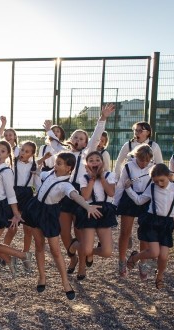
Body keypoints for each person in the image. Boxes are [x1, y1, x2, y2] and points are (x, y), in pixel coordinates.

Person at [23, 152, 102, 297]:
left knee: (55, 250)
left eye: (59, 163)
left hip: (49, 215)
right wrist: (36, 170)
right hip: (35, 210)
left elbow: (75, 195)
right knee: (39, 245)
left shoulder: (66, 185)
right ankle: (42, 276)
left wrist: (88, 206)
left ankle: (65, 282)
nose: (55, 165)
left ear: (68, 168)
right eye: (56, 162)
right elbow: (40, 174)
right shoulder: (50, 174)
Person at [58, 104, 115, 275]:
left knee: (80, 230)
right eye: (75, 137)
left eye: (82, 138)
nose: (78, 140)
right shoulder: (63, 152)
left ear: (86, 142)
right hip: (65, 192)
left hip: (82, 192)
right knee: (64, 231)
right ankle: (73, 256)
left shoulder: (86, 155)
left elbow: (97, 136)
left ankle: (83, 264)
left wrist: (102, 119)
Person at [125, 164, 174, 288]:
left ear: (169, 176)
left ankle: (159, 275)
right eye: (156, 181)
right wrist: (128, 189)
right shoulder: (152, 188)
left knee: (164, 256)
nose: (159, 183)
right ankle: (136, 257)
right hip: (152, 222)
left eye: (162, 180)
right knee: (154, 253)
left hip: (167, 224)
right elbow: (139, 200)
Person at [0, 140, 32, 278]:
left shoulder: (7, 171)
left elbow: (11, 194)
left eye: (2, 151)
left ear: (8, 154)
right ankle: (11, 261)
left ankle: (22, 255)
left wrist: (15, 213)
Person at [72, 151, 117, 280]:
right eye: (91, 160)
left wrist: (101, 177)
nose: (95, 162)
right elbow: (85, 196)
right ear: (87, 164)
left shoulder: (109, 175)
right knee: (86, 250)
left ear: (102, 163)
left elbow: (111, 192)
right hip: (89, 210)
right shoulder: (84, 178)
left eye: (98, 159)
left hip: (105, 211)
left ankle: (91, 251)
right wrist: (92, 177)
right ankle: (76, 245)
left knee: (107, 252)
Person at [114, 144, 154, 278]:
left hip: (145, 200)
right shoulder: (128, 167)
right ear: (135, 157)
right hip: (129, 200)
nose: (143, 163)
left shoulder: (152, 168)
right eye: (141, 160)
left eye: (146, 161)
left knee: (144, 234)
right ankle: (121, 261)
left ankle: (143, 263)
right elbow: (120, 185)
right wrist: (115, 204)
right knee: (125, 232)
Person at [1, 140, 38, 270]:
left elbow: (37, 184)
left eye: (27, 151)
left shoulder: (34, 166)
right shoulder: (12, 163)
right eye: (22, 150)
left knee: (28, 229)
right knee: (12, 226)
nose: (23, 153)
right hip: (14, 194)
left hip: (27, 196)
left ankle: (26, 255)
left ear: (32, 154)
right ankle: (4, 251)